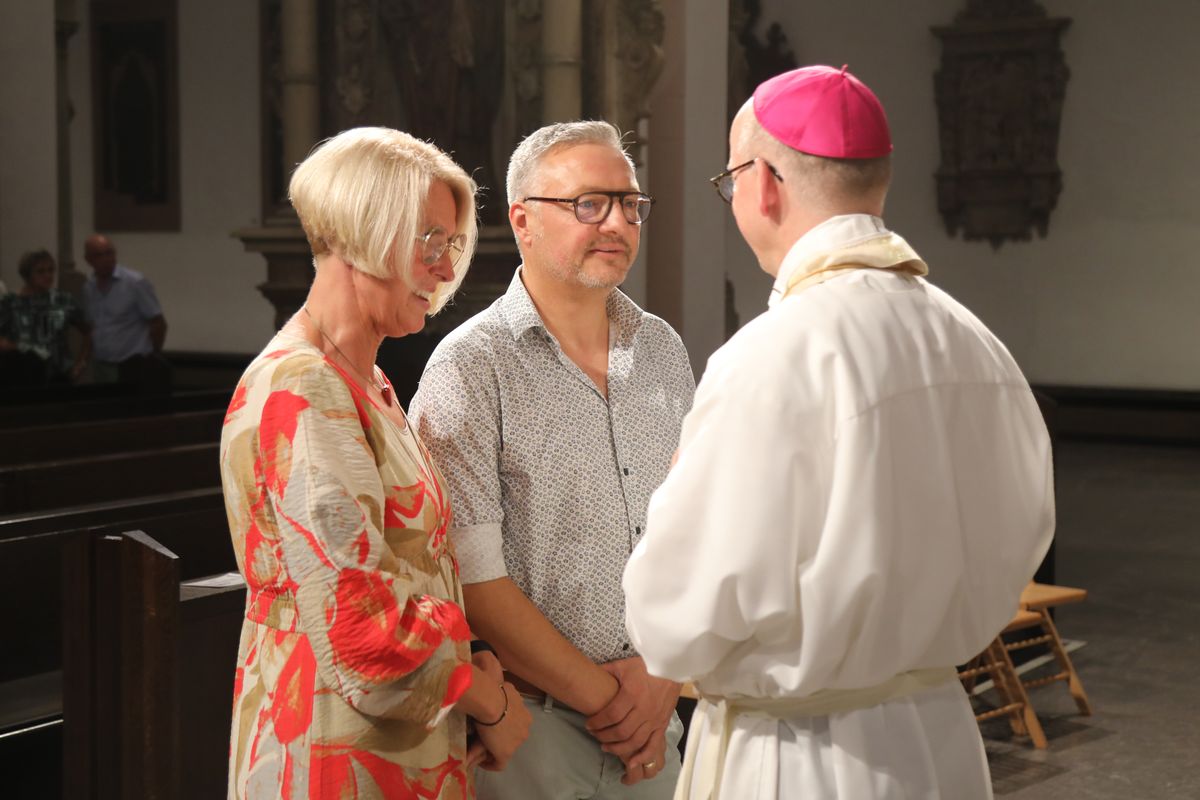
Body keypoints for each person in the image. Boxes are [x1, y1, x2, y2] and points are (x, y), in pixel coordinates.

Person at [623, 65, 1055, 799]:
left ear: (763, 182)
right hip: (941, 736)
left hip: (803, 755)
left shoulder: (771, 355)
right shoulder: (977, 344)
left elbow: (675, 621)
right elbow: (1024, 539)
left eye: (729, 182)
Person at [219, 127, 531, 799]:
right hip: (332, 748)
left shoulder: (367, 382)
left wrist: (471, 662)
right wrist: (490, 699)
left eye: (451, 246)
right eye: (431, 243)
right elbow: (364, 633)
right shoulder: (304, 388)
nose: (447, 270)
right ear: (366, 231)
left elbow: (417, 571)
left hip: (397, 744)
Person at [409, 121, 695, 799]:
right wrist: (611, 699)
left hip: (655, 722)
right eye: (588, 204)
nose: (618, 223)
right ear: (522, 221)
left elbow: (694, 534)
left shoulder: (661, 349)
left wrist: (661, 679)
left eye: (630, 204)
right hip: (532, 731)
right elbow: (474, 580)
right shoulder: (471, 367)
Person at [81, 233, 168, 386]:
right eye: (100, 255)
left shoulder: (135, 283)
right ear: (89, 259)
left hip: (132, 364)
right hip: (101, 364)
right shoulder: (89, 287)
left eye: (110, 253)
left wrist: (153, 354)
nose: (107, 259)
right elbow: (92, 326)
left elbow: (158, 323)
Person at [0, 249, 91, 386]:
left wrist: (80, 364)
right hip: (21, 375)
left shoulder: (63, 300)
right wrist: (16, 346)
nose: (48, 275)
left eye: (50, 270)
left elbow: (88, 332)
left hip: (59, 375)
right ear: (27, 275)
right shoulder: (10, 303)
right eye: (40, 271)